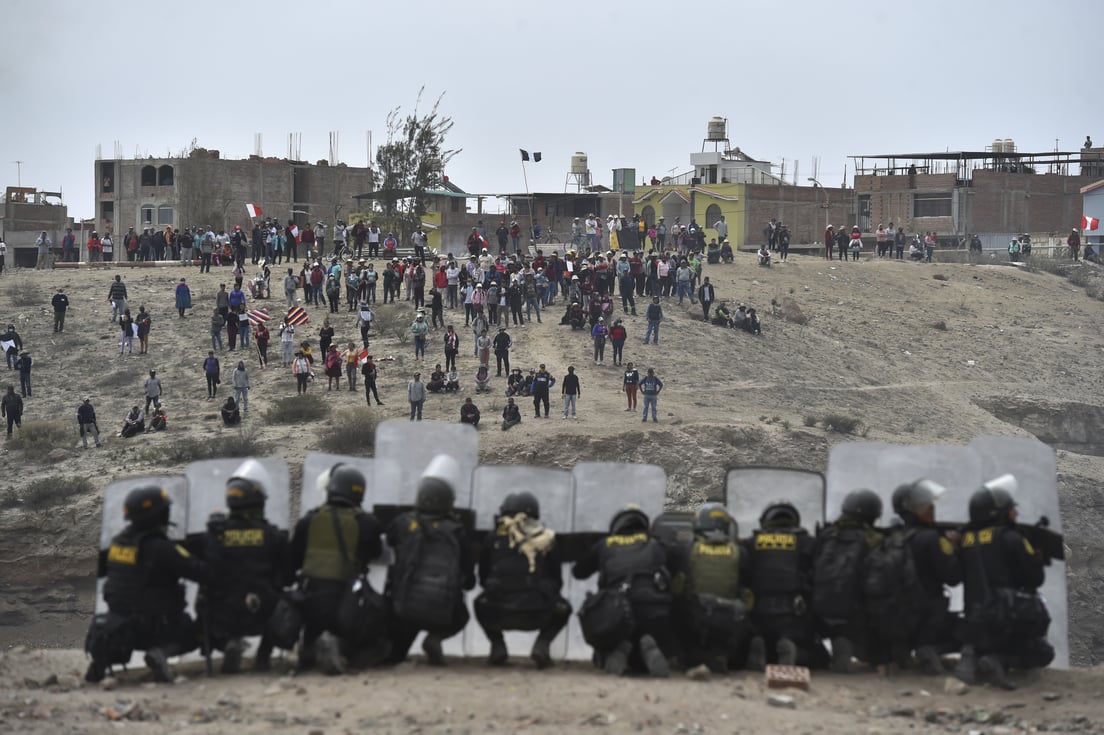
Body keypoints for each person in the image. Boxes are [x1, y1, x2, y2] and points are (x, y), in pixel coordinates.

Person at [84, 487, 206, 683]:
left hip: (121, 627)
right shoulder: (161, 548)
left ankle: (100, 663)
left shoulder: (117, 544)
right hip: (155, 628)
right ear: (159, 515)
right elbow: (201, 573)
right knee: (197, 632)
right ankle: (161, 653)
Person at [955, 475, 1054, 690]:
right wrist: (1036, 557)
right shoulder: (1012, 538)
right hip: (1005, 620)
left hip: (973, 621)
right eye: (1011, 509)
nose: (1015, 513)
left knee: (981, 632)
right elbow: (1035, 579)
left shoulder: (964, 539)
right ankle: (1000, 661)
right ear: (997, 512)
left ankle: (971, 653)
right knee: (1044, 653)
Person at [291, 464, 386, 674]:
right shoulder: (367, 523)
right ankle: (340, 648)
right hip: (348, 602)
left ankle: (308, 649)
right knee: (378, 635)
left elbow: (293, 560)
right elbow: (375, 553)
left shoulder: (309, 520)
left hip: (311, 601)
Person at [385, 456, 476, 666]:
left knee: (393, 655)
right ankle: (434, 639)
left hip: (403, 608)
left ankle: (395, 653)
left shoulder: (403, 524)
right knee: (462, 616)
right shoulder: (457, 531)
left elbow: (387, 545)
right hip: (442, 611)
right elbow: (469, 580)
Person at [573, 505, 673, 677]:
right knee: (644, 654)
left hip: (617, 612)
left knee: (596, 611)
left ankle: (616, 649)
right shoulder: (656, 545)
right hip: (654, 611)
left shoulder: (605, 545)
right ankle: (646, 645)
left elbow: (578, 572)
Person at [474, 492, 571, 668]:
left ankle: (497, 646)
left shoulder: (492, 538)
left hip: (498, 611)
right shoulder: (547, 539)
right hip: (537, 612)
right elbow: (557, 581)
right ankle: (542, 646)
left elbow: (483, 578)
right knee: (564, 608)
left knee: (479, 602)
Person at [877, 479, 962, 675]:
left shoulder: (891, 538)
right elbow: (953, 577)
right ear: (911, 509)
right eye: (924, 505)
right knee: (968, 631)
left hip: (896, 618)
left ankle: (903, 650)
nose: (931, 508)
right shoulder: (932, 539)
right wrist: (954, 547)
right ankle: (929, 648)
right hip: (928, 618)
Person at [744, 502, 825, 670]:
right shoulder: (807, 542)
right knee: (820, 659)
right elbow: (818, 577)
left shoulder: (750, 543)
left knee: (752, 645)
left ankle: (758, 643)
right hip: (794, 613)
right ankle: (790, 645)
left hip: (757, 613)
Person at [812, 488, 883, 673]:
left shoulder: (827, 535)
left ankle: (833, 646)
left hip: (818, 609)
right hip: (854, 613)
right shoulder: (873, 540)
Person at [677, 503, 752, 674]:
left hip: (696, 620)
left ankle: (684, 655)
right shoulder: (740, 552)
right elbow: (746, 589)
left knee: (676, 600)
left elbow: (678, 587)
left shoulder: (687, 550)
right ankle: (721, 656)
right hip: (730, 621)